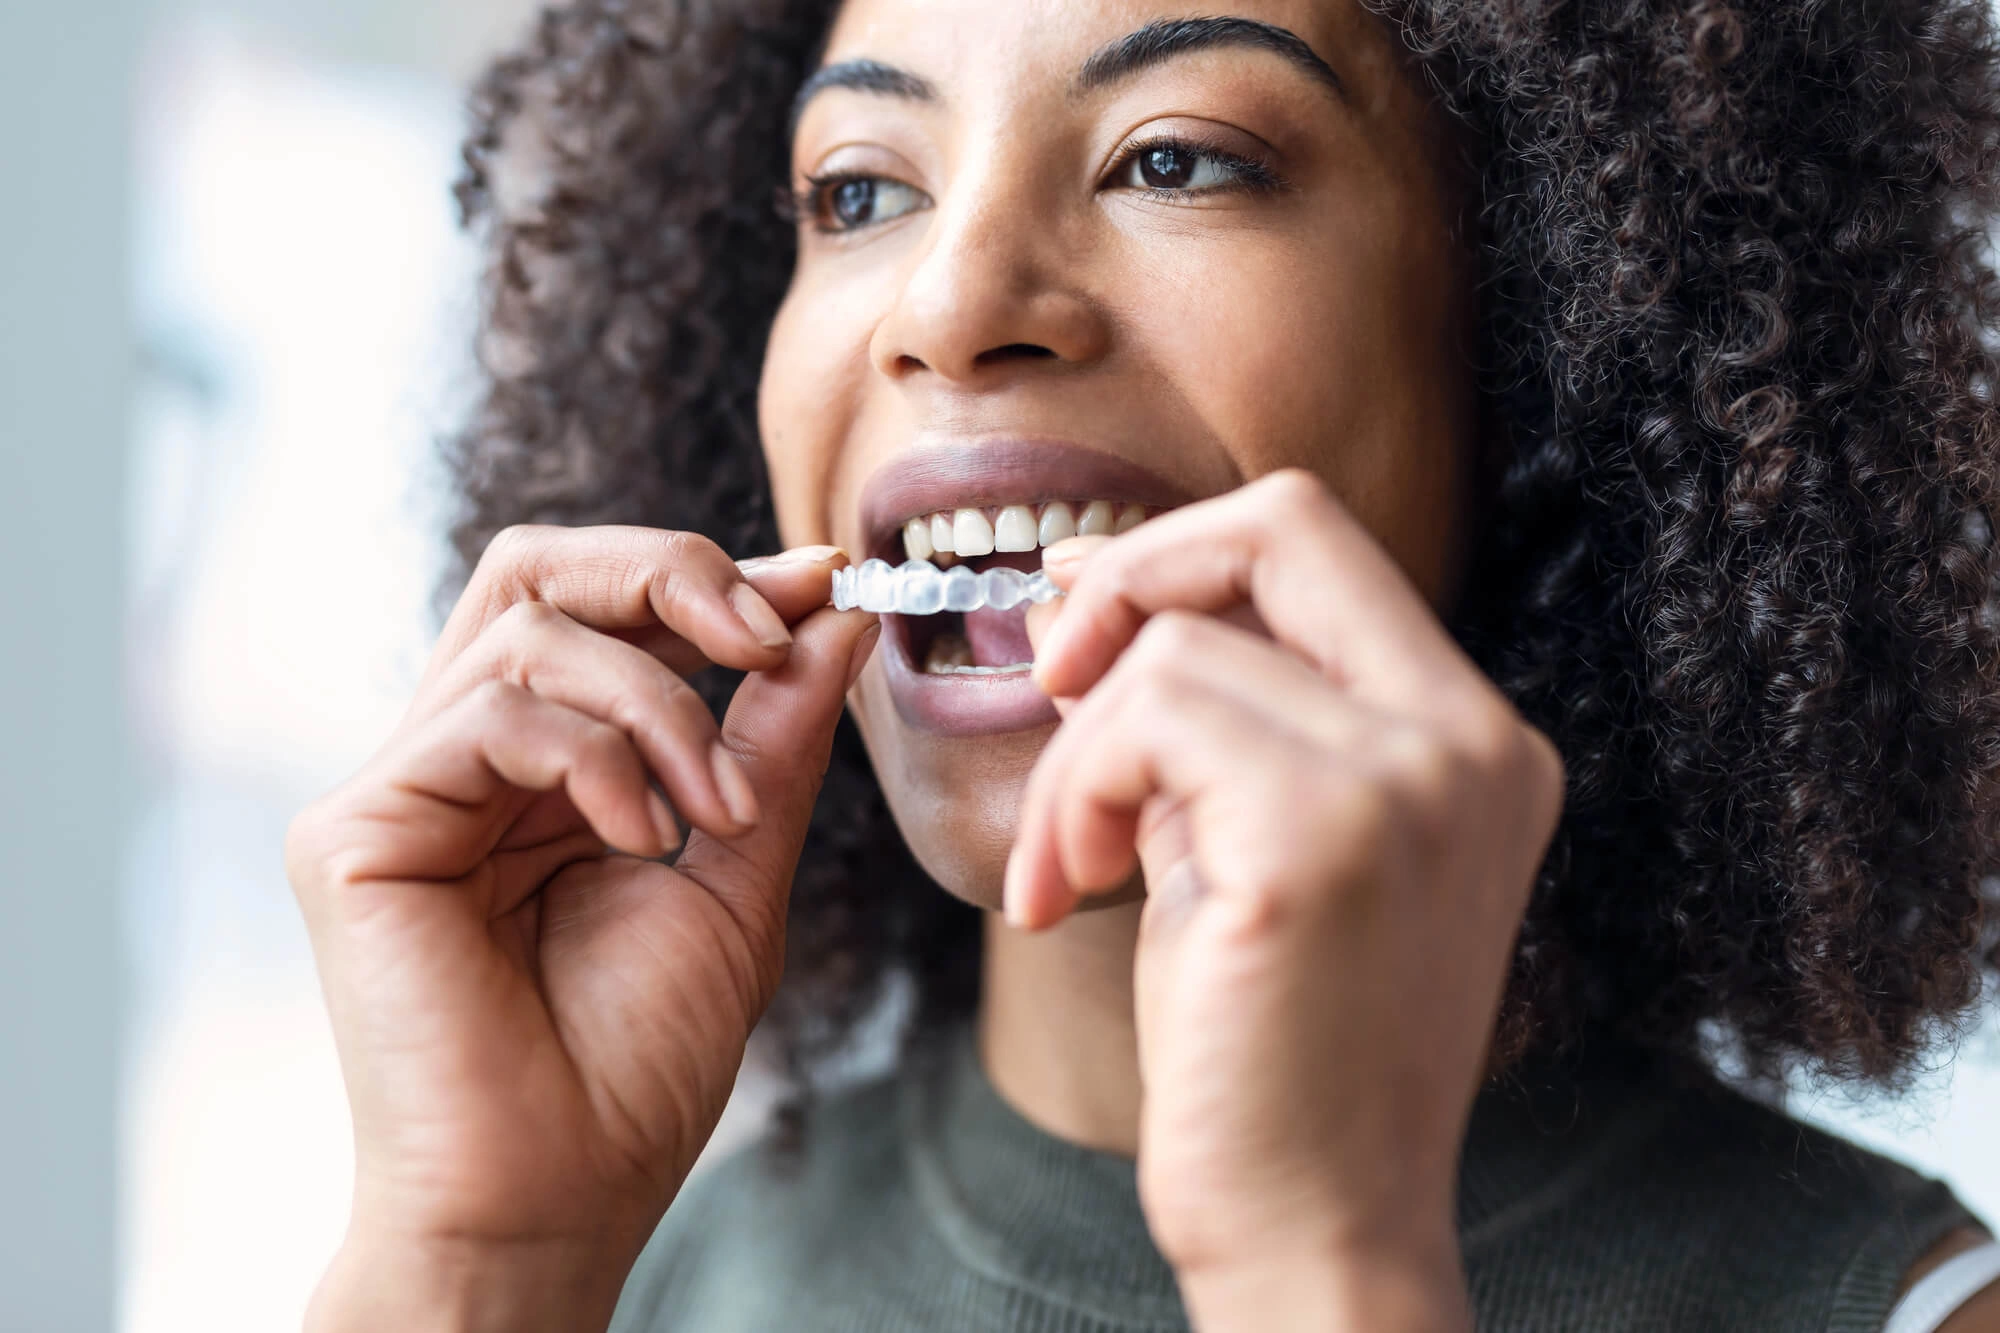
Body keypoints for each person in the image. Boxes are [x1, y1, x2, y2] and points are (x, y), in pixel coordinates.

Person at [284, 0, 2000, 1328]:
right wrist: (468, 1255)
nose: (949, 304)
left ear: (1547, 343)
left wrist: (1317, 1261)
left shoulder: (1890, 1306)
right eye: (859, 190)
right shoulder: (648, 1280)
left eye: (1176, 157)